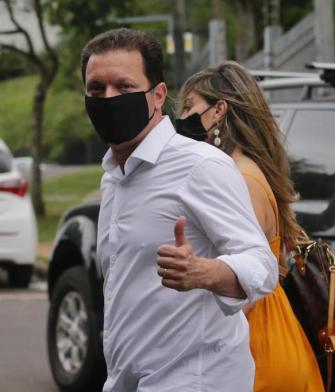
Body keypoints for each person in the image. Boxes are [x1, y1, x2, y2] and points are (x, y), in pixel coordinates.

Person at [81, 29, 278, 392]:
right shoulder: (113, 177)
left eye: (124, 87)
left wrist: (207, 271)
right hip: (130, 379)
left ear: (158, 95)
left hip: (195, 380)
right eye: (96, 89)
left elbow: (262, 265)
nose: (108, 99)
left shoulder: (200, 165)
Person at [176, 60, 325, 392]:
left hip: (256, 347)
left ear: (219, 111)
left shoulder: (239, 179)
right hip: (276, 334)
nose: (182, 118)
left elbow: (249, 283)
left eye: (190, 107)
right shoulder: (250, 170)